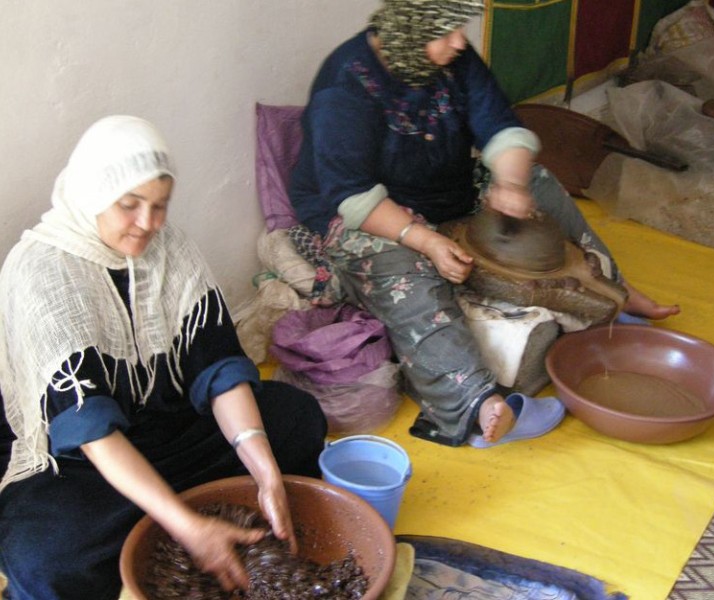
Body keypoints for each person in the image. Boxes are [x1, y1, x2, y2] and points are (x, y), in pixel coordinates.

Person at [288, 0, 679, 449]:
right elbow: (352, 195)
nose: (460, 41)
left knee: (536, 179)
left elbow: (499, 126)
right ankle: (475, 405)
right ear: (408, 29)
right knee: (406, 273)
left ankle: (614, 290)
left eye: (459, 28)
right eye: (445, 31)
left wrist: (510, 182)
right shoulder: (345, 86)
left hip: (444, 191)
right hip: (364, 213)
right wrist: (426, 241)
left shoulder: (453, 58)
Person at [0, 116, 328, 600]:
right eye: (129, 206)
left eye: (159, 206)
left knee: (296, 417)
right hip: (83, 461)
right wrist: (186, 528)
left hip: (169, 427)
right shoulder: (41, 273)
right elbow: (90, 431)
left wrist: (264, 471)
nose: (148, 224)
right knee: (46, 552)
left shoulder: (168, 247)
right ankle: (187, 519)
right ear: (92, 194)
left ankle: (189, 516)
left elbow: (217, 366)